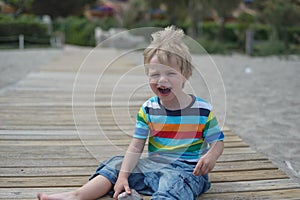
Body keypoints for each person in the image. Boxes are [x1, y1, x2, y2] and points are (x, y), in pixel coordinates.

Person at [37, 26, 224, 200]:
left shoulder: (201, 110)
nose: (162, 80)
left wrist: (210, 156)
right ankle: (77, 195)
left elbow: (217, 142)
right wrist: (124, 176)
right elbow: (135, 147)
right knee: (116, 164)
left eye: (170, 73)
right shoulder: (149, 109)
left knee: (172, 184)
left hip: (187, 172)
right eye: (154, 74)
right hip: (152, 168)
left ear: (186, 75)